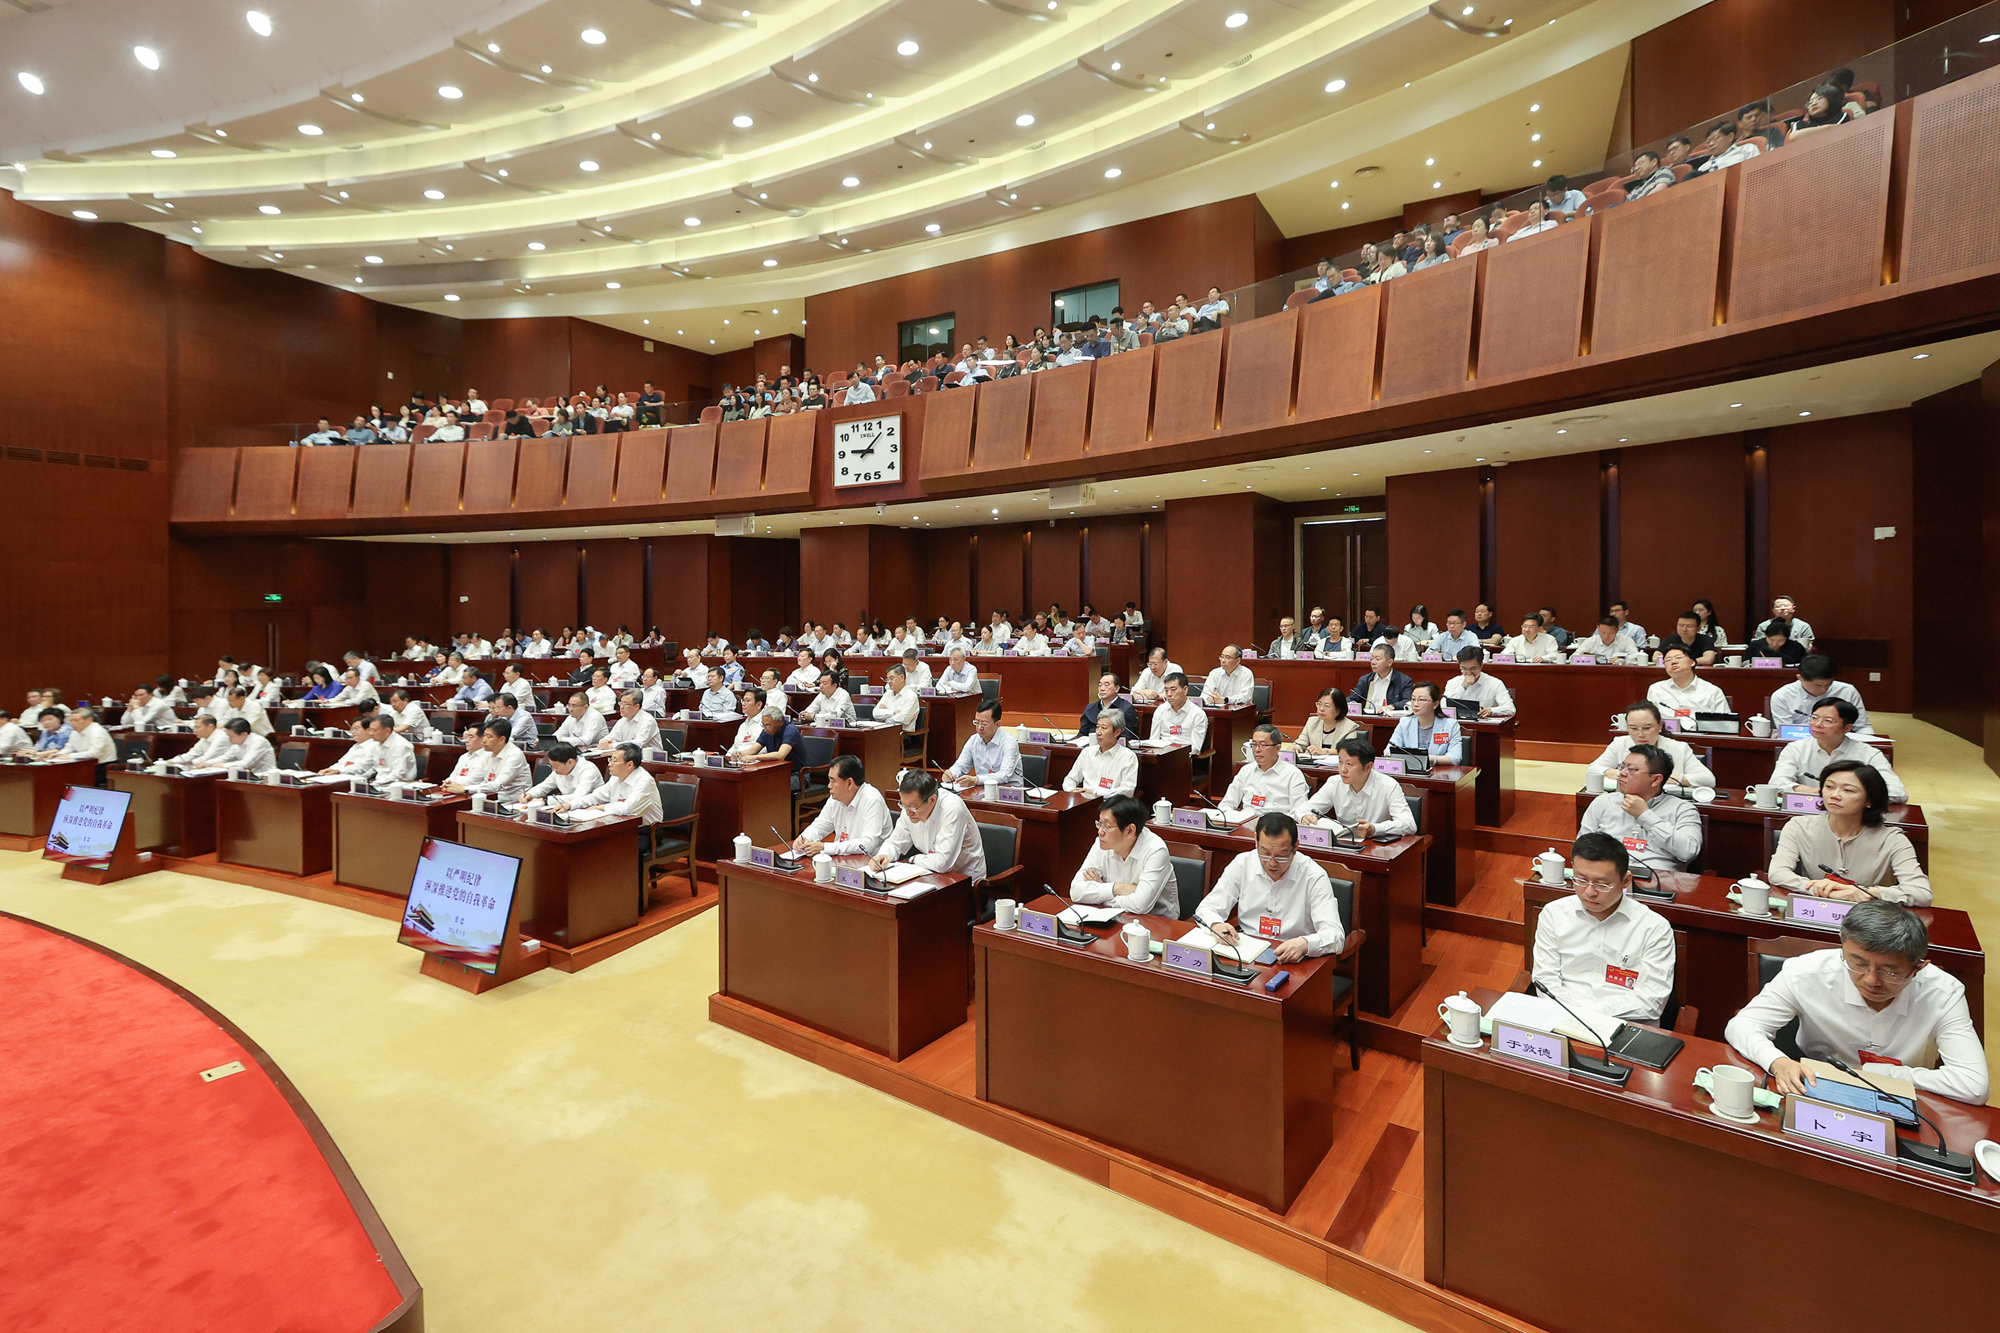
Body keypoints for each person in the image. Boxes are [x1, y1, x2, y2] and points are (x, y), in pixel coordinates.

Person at [1725, 902, 1986, 1104]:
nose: (1871, 980)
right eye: (1858, 963)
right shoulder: (1805, 973)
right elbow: (1742, 1026)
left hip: (1902, 1097)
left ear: (1918, 968)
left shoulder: (1943, 992)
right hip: (1816, 1086)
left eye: (1890, 971)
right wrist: (1778, 1061)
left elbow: (1974, 1085)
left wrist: (1878, 1074)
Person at [1532, 831, 1676, 1024]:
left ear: (1625, 881)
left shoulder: (1654, 927)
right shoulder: (1554, 914)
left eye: (1602, 884)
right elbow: (1545, 980)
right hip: (1563, 1019)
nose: (1589, 892)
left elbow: (1651, 1001)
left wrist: (1586, 1015)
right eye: (1581, 880)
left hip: (1626, 1023)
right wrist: (1571, 1017)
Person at [1768, 759, 1928, 906]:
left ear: (1870, 800)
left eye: (1848, 790)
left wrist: (1863, 892)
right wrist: (1820, 890)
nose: (1835, 795)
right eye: (1829, 787)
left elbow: (1922, 893)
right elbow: (1777, 873)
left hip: (1869, 919)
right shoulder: (1798, 826)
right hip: (1817, 910)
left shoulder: (1893, 839)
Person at [1194, 813, 1345, 963]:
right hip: (1246, 951)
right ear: (1256, 841)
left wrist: (1306, 944)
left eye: (1281, 855)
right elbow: (1207, 908)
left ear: (1295, 847)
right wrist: (1216, 925)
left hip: (1293, 957)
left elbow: (1335, 935)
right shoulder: (1242, 864)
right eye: (1265, 853)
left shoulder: (1313, 875)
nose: (1272, 863)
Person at [1576, 745, 1701, 875]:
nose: (1622, 773)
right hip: (1608, 878)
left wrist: (1645, 815)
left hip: (1659, 880)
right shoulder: (1603, 803)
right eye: (1622, 767)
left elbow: (1688, 852)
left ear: (1656, 780)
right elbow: (1581, 849)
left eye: (1631, 770)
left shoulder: (1683, 809)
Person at [1770, 697, 1905, 804]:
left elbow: (1897, 792)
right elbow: (1776, 783)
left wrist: (1851, 796)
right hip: (1806, 812)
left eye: (1828, 721)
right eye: (1814, 718)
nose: (1817, 724)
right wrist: (1812, 791)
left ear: (1847, 728)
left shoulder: (1868, 754)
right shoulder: (1795, 749)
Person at [1070, 796, 1177, 916]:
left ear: (1129, 831)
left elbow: (1139, 905)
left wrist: (1100, 893)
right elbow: (1075, 891)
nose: (1100, 832)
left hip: (1157, 920)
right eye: (1099, 824)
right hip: (1113, 916)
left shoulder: (1156, 850)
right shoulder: (1101, 844)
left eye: (1107, 826)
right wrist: (1118, 888)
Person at [869, 771, 986, 879]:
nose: (908, 812)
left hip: (965, 880)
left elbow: (942, 863)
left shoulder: (952, 808)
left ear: (932, 800)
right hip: (931, 874)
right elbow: (895, 843)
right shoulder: (909, 808)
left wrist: (914, 859)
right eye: (904, 805)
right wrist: (883, 855)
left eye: (913, 807)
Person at [1302, 736, 1416, 835]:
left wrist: (1375, 829)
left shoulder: (1388, 786)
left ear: (1368, 767)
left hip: (1378, 846)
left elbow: (1409, 824)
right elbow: (1304, 808)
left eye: (1349, 764)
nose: (1342, 769)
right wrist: (1305, 816)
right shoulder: (1334, 783)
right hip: (1345, 844)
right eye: (1340, 761)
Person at [1591, 701, 1716, 788]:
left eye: (1647, 728)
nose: (1640, 734)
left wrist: (1665, 779)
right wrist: (1623, 774)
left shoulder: (1679, 748)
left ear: (1660, 725)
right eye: (1633, 728)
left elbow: (1708, 779)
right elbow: (1594, 768)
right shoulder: (1620, 743)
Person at [792, 754, 894, 857]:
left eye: (833, 781)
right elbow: (820, 825)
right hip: (842, 859)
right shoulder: (835, 798)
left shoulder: (872, 799)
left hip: (870, 861)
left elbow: (867, 845)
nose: (829, 786)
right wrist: (805, 838)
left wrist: (825, 848)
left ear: (849, 783)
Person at [1216, 723, 1310, 820]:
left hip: (1275, 825)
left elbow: (1299, 811)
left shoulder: (1293, 774)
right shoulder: (1246, 770)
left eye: (1263, 745)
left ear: (1277, 748)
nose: (1257, 750)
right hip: (1246, 822)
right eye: (1254, 744)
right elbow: (1226, 804)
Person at [555, 743, 662, 826]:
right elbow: (596, 796)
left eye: (614, 760)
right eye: (610, 759)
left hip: (646, 830)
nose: (609, 764)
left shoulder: (644, 780)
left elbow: (628, 809)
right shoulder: (616, 778)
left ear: (629, 764)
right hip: (621, 825)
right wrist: (570, 805)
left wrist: (601, 807)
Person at [1770, 655, 1871, 734]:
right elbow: (1786, 732)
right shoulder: (1782, 696)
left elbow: (1862, 727)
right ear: (1800, 678)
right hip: (1800, 745)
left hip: (1842, 744)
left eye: (1828, 684)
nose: (1824, 690)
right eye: (1818, 685)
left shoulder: (1847, 691)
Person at [945, 700, 1022, 786]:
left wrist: (977, 780)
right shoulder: (973, 740)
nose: (979, 727)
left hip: (1008, 790)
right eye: (977, 722)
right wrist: (951, 773)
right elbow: (960, 766)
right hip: (982, 789)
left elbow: (1004, 775)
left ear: (997, 724)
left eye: (984, 724)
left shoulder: (1009, 742)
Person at [1063, 714, 1140, 799]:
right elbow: (1069, 779)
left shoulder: (1128, 756)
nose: (1098, 732)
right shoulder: (1087, 752)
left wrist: (1095, 793)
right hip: (1084, 801)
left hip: (1111, 803)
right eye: (1097, 727)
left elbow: (1127, 791)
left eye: (1103, 728)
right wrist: (1072, 790)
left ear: (1117, 732)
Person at [1646, 646, 1729, 716]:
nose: (1673, 662)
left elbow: (1725, 723)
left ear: (1692, 662)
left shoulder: (1712, 691)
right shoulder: (1656, 689)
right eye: (1668, 660)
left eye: (1679, 657)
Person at [1388, 682, 1463, 760]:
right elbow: (1388, 751)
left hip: (1438, 767)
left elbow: (1455, 757)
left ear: (1435, 704)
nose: (1415, 704)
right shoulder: (1404, 723)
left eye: (1421, 700)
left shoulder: (1450, 725)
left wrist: (1425, 759)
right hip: (1410, 767)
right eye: (1413, 699)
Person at [522, 743, 602, 805]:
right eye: (551, 766)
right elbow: (544, 786)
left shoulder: (589, 770)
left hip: (591, 808)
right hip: (566, 807)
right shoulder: (557, 770)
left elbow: (578, 797)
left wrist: (546, 801)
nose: (553, 770)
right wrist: (530, 794)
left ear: (570, 762)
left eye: (556, 767)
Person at [1443, 648, 1514, 718]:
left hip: (1485, 723)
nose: (1469, 673)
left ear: (1481, 666)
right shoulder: (1453, 682)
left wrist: (1491, 711)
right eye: (1464, 669)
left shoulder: (1495, 683)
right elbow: (1444, 706)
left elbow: (1510, 708)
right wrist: (1463, 686)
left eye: (1473, 669)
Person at [1347, 642, 1413, 713]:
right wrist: (1352, 704)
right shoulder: (1365, 680)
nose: (1373, 662)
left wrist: (1393, 706)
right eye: (1372, 658)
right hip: (1368, 716)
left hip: (1390, 717)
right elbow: (1352, 698)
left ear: (1390, 662)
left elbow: (1408, 701)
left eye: (1377, 659)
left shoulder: (1404, 681)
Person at [1149, 673, 1207, 751]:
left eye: (1173, 689)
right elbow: (1153, 741)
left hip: (1184, 755)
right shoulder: (1160, 710)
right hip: (1162, 754)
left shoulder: (1198, 714)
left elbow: (1195, 748)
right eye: (1166, 690)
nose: (1169, 694)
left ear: (1185, 690)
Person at [751, 708, 806, 785]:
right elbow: (752, 750)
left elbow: (781, 755)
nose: (766, 729)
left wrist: (755, 757)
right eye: (764, 725)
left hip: (797, 775)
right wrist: (739, 754)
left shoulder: (791, 730)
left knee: (771, 785)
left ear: (780, 722)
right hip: (777, 773)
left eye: (768, 725)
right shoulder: (767, 731)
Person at [1295, 688, 1357, 756]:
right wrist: (1296, 747)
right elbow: (1301, 743)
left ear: (1338, 710)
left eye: (1327, 706)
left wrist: (1325, 751)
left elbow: (1350, 750)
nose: (1321, 709)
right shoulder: (1312, 722)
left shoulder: (1349, 727)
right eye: (1319, 704)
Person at [362, 713, 418, 782]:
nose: (371, 733)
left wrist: (376, 783)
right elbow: (364, 765)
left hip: (399, 784)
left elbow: (398, 774)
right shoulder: (375, 743)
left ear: (387, 731)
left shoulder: (401, 745)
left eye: (374, 730)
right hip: (379, 781)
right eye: (370, 730)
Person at [1080, 672, 1137, 738]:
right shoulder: (1090, 708)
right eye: (1100, 685)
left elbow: (1129, 736)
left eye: (1106, 685)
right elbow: (1082, 733)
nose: (1102, 689)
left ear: (1117, 688)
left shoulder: (1127, 708)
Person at [874, 666, 921, 732]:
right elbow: (875, 713)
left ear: (902, 677)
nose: (889, 682)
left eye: (891, 678)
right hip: (885, 732)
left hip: (902, 734)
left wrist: (884, 717)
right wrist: (893, 712)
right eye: (887, 679)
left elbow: (903, 719)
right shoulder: (887, 694)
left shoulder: (911, 696)